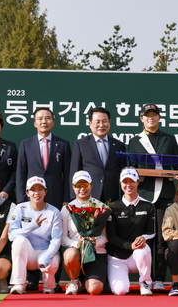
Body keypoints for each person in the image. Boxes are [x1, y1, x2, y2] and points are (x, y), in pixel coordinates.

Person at [127, 103, 178, 291]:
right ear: (141, 118)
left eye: (154, 115)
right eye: (147, 115)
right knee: (144, 238)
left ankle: (159, 278)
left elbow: (177, 165)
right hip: (143, 194)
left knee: (161, 238)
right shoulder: (135, 140)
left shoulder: (169, 139)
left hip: (165, 194)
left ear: (159, 117)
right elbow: (130, 167)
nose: (150, 118)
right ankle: (145, 278)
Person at [16, 107, 71, 292]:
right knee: (31, 236)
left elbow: (68, 174)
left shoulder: (62, 145)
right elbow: (20, 174)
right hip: (32, 200)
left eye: (48, 118)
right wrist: (21, 200)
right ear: (34, 122)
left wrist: (66, 200)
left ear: (53, 121)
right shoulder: (26, 144)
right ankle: (31, 281)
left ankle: (53, 281)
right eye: (40, 118)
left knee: (57, 238)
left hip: (55, 199)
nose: (44, 122)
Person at [106, 167, 156, 296]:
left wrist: (143, 238)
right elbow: (111, 236)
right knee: (121, 291)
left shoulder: (148, 205)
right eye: (125, 181)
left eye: (132, 181)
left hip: (137, 256)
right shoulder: (112, 207)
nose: (128, 185)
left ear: (138, 182)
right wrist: (130, 245)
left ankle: (145, 283)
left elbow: (152, 231)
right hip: (117, 258)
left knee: (143, 249)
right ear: (120, 183)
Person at [8, 177, 62, 294]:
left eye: (40, 189)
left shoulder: (54, 212)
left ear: (45, 192)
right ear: (27, 193)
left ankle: (49, 286)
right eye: (33, 190)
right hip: (28, 255)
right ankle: (18, 284)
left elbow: (56, 240)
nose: (36, 193)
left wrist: (47, 258)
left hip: (46, 254)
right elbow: (11, 235)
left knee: (51, 261)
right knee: (19, 241)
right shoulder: (20, 208)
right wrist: (32, 226)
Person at [61, 171, 111, 295]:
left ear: (91, 185)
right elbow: (62, 238)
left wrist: (96, 242)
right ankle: (74, 281)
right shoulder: (67, 208)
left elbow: (105, 236)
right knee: (69, 255)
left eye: (85, 184)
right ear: (73, 187)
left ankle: (91, 279)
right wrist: (76, 244)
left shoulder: (101, 206)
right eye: (78, 185)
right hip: (77, 253)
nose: (82, 188)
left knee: (95, 290)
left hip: (96, 252)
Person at [70, 106, 126, 203]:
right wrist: (72, 198)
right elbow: (74, 172)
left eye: (104, 121)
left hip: (112, 197)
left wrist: (124, 199)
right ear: (90, 124)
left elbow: (123, 174)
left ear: (109, 123)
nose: (101, 125)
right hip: (88, 196)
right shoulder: (81, 144)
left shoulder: (118, 145)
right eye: (97, 122)